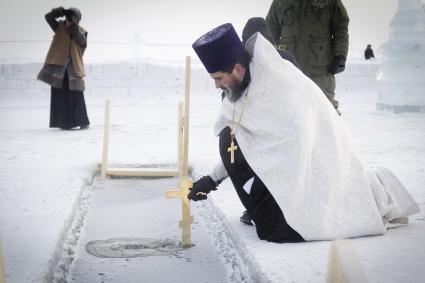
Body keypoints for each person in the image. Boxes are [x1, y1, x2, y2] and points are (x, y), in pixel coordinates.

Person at [188, 23, 419, 243]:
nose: (217, 86)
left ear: (238, 69)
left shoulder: (283, 85)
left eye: (219, 78)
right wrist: (212, 179)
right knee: (230, 140)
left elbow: (300, 142)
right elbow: (242, 145)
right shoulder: (236, 92)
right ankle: (264, 207)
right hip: (279, 174)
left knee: (286, 230)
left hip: (312, 170)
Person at [266, 0, 349, 113]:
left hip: (320, 71)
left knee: (325, 114)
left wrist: (340, 55)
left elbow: (341, 27)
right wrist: (268, 55)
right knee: (286, 114)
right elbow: (271, 28)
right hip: (288, 71)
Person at [37, 7, 90, 130]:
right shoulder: (59, 27)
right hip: (59, 69)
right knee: (60, 96)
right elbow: (48, 18)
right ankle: (64, 123)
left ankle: (82, 122)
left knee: (76, 96)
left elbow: (82, 42)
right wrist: (59, 11)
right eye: (67, 17)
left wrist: (73, 25)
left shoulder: (82, 31)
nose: (68, 19)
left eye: (71, 17)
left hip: (73, 69)